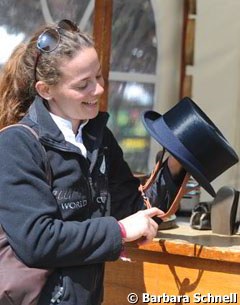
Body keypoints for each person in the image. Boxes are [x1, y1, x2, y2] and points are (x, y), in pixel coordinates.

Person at [0, 19, 184, 305]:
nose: (98, 90)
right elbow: (38, 240)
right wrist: (119, 231)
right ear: (46, 90)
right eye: (83, 84)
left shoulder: (99, 138)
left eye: (98, 77)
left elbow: (135, 209)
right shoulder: (17, 144)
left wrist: (174, 165)